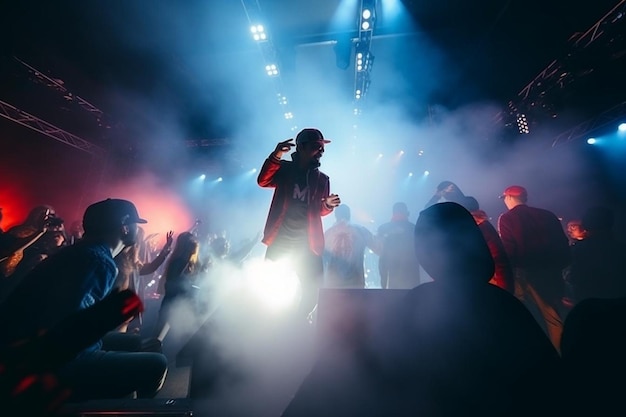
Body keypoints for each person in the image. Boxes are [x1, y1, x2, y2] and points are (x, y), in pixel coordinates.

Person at [0, 198, 168, 401]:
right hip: (46, 359)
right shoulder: (97, 260)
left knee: (136, 342)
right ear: (124, 226)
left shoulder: (82, 252)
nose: (137, 229)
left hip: (28, 344)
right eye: (135, 223)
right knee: (157, 364)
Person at [257, 128, 340, 317]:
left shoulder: (322, 179)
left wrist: (326, 205)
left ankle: (295, 322)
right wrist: (276, 156)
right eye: (316, 147)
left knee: (314, 292)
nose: (322, 151)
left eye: (322, 147)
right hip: (280, 242)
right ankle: (272, 327)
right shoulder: (285, 169)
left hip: (308, 246)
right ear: (302, 147)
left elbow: (319, 211)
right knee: (270, 292)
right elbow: (263, 181)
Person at [497, 185, 570, 351]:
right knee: (556, 314)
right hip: (554, 273)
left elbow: (509, 251)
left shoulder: (507, 218)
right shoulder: (547, 215)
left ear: (508, 198)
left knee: (542, 317)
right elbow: (562, 244)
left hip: (528, 276)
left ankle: (559, 358)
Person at [462, 196, 514, 293]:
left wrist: (504, 290)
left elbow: (498, 257)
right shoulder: (479, 224)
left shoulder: (479, 227)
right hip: (496, 281)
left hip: (495, 283)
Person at [323, 204, 376, 288]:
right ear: (349, 215)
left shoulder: (327, 234)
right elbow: (378, 248)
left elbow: (320, 258)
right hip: (356, 283)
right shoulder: (361, 232)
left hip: (333, 284)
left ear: (336, 216)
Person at [376, 202, 420, 289]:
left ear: (393, 213)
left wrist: (383, 284)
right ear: (407, 213)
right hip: (412, 279)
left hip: (391, 278)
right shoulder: (415, 229)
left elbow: (382, 258)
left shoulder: (383, 229)